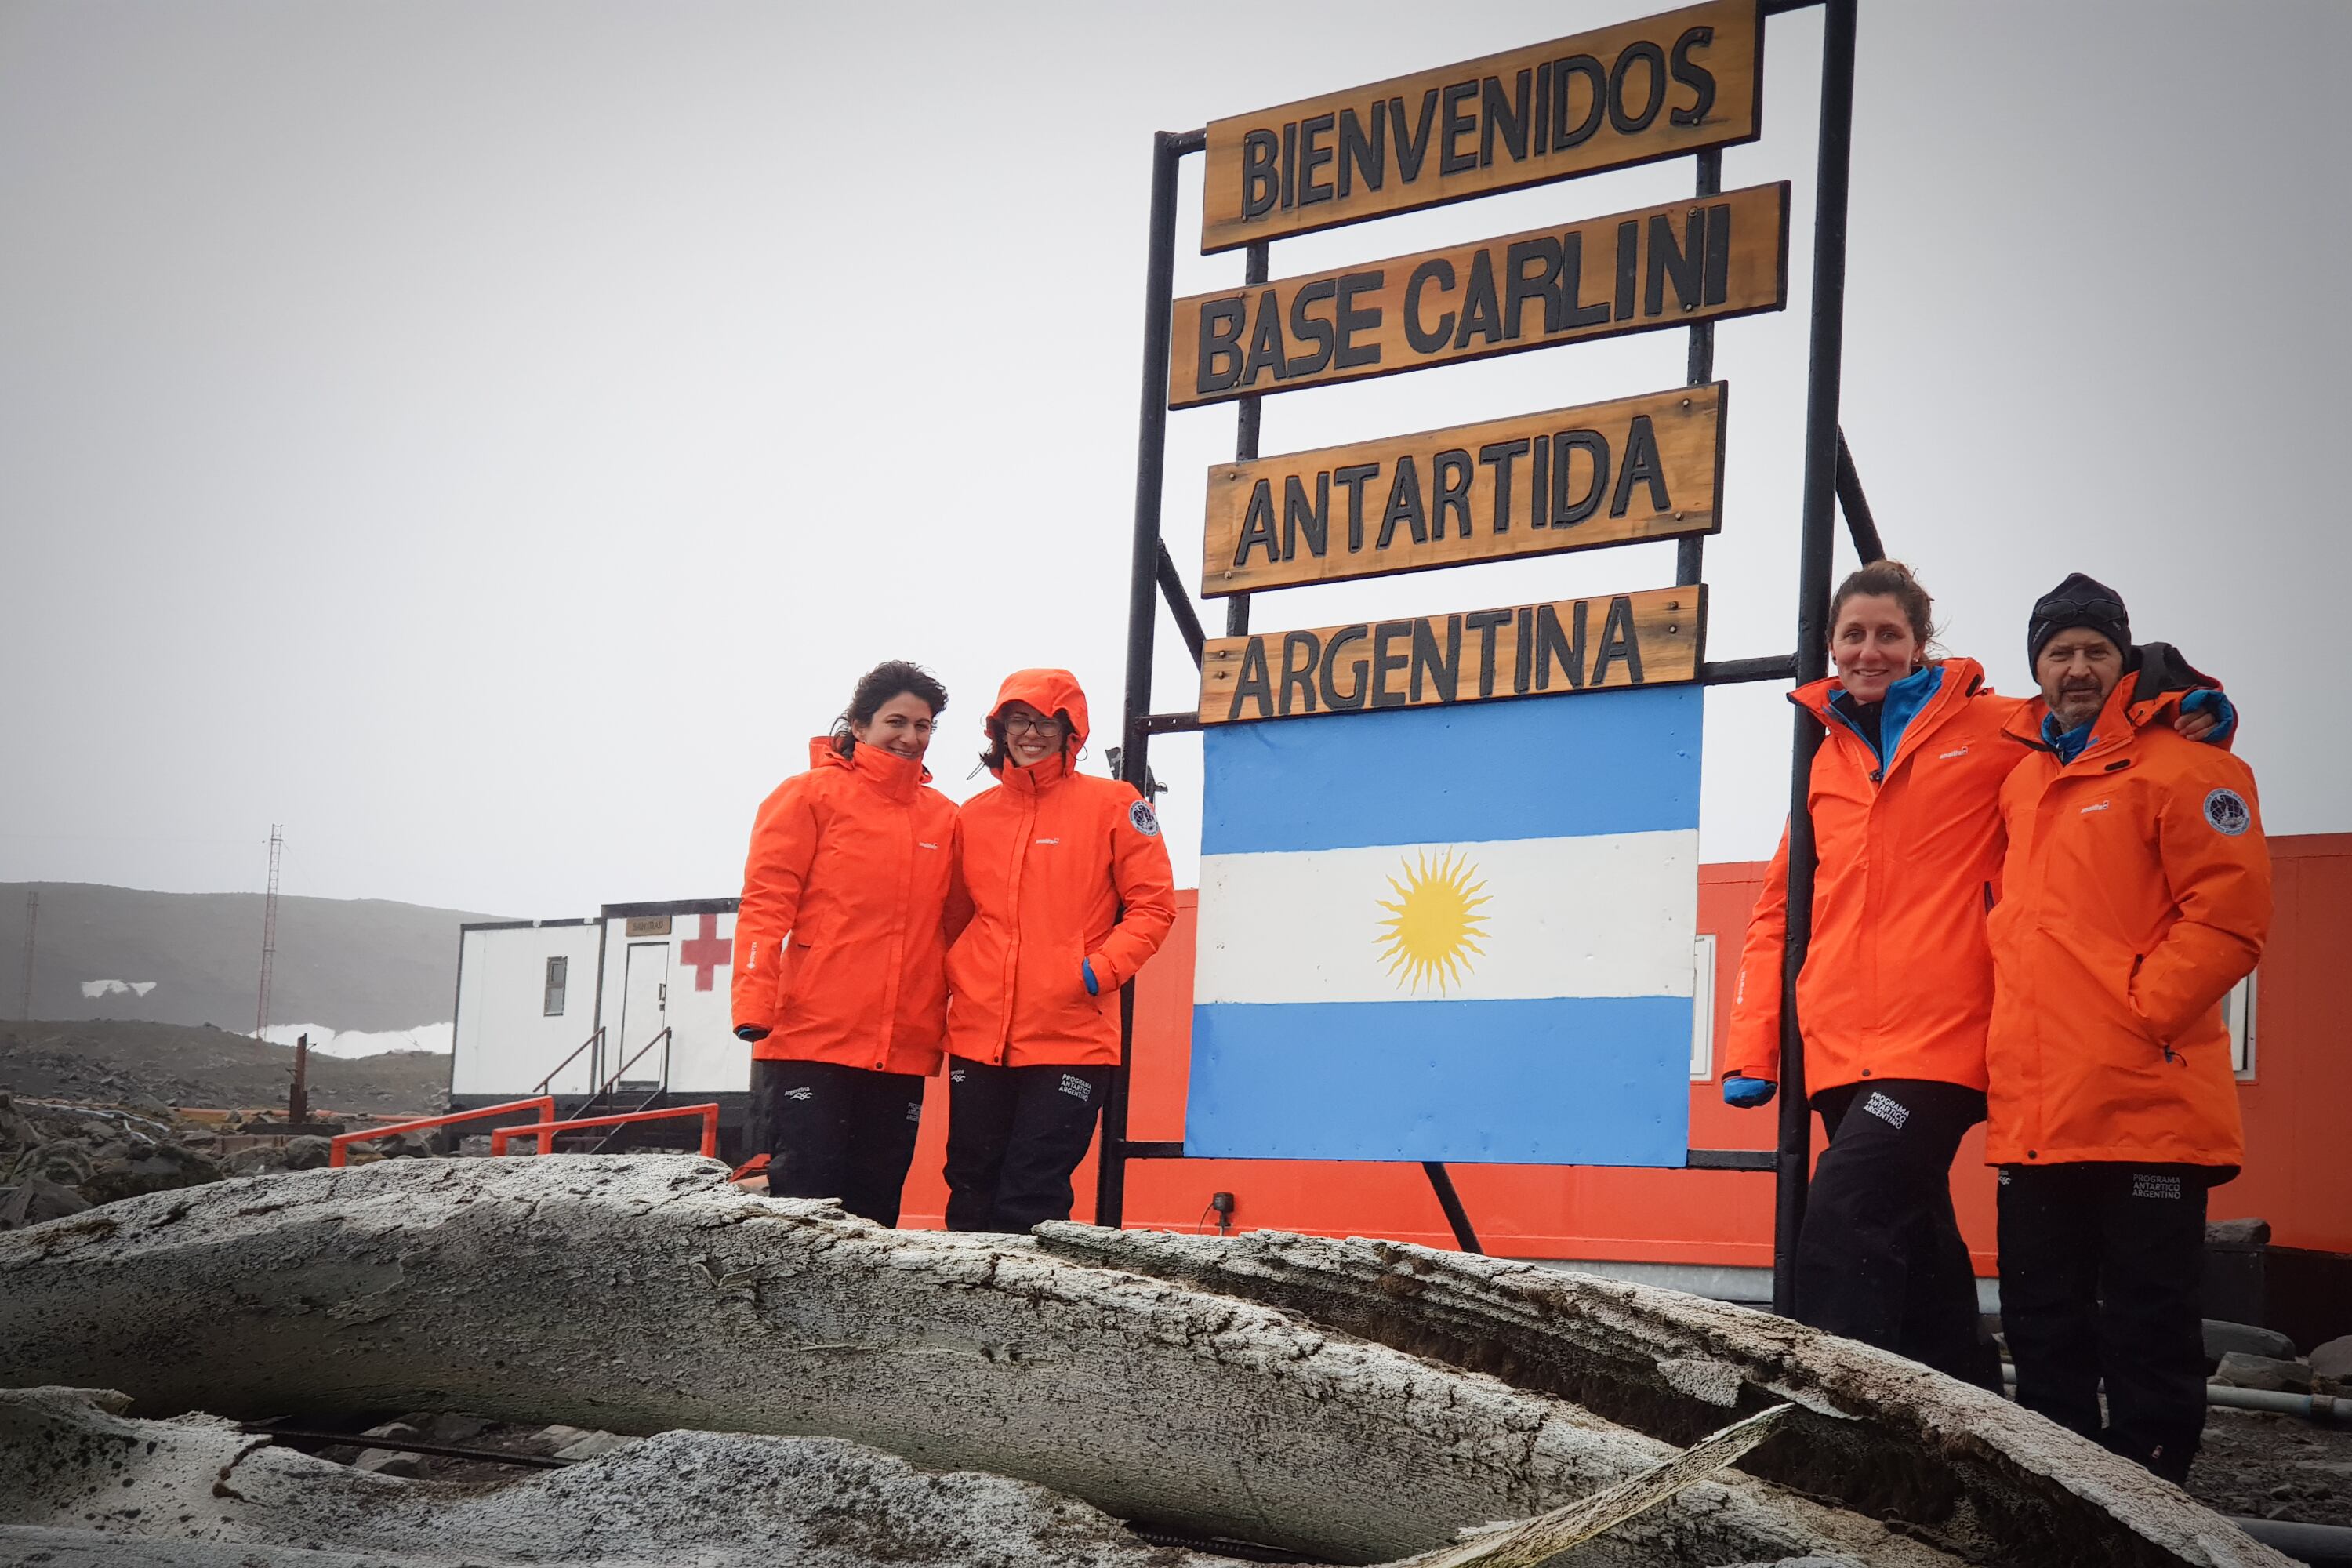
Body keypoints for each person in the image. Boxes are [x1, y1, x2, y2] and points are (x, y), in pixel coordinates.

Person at [1722, 562, 2230, 1389]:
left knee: (1846, 1212)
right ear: (1831, 647)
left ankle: (1828, 1421)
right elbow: (1780, 912)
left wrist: (2184, 702)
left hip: (1940, 1043)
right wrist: (1755, 1047)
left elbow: (2096, 709)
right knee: (1920, 1241)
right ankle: (1965, 1402)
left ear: (1921, 643)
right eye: (1853, 634)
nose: (1870, 649)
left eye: (1889, 633)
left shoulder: (1993, 726)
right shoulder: (1821, 760)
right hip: (1838, 1047)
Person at [1985, 574, 2270, 1484]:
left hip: (2148, 1101)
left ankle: (2154, 1502)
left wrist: (2138, 1012)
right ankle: (2064, 1498)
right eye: (2058, 652)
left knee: (2149, 1320)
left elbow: (2229, 919)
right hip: (2038, 1117)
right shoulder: (2019, 778)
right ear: (2036, 667)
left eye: (2094, 652)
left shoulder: (2193, 765)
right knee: (2041, 1320)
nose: (2076, 668)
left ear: (2125, 663)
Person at [942, 669, 1176, 1234]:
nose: (1031, 732)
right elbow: (951, 920)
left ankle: (1024, 1321)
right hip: (978, 1034)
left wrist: (1096, 973)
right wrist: (958, 979)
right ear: (999, 729)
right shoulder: (971, 815)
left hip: (1071, 1036)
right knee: (970, 1183)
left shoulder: (1115, 804)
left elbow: (1154, 907)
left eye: (1048, 720)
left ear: (1073, 730)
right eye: (1017, 719)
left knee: (1033, 1193)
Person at [729, 660, 956, 1227]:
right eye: (896, 721)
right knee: (806, 1193)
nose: (910, 737)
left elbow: (959, 930)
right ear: (858, 724)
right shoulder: (807, 797)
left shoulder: (946, 819)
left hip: (903, 1044)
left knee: (878, 1204)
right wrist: (754, 1008)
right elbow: (765, 905)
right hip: (812, 1036)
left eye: (923, 726)